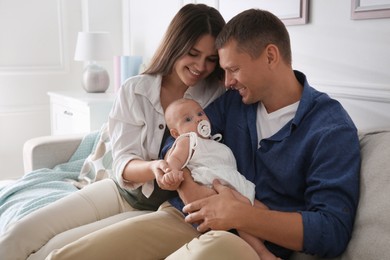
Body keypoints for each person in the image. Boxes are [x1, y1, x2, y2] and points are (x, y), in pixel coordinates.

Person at [47, 8, 360, 260]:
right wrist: (191, 188)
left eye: (233, 69)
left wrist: (240, 215)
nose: (226, 82)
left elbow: (331, 230)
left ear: (270, 56)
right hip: (186, 217)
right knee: (66, 255)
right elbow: (178, 143)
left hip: (246, 245)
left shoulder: (329, 128)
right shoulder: (235, 105)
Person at [0, 4, 226, 260]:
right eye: (193, 53)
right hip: (119, 192)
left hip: (157, 210)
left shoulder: (217, 98)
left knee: (52, 252)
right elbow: (123, 161)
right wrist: (154, 168)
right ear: (176, 45)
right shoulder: (135, 90)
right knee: (19, 234)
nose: (200, 66)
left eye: (210, 59)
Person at [163, 97, 279, 260]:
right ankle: (262, 253)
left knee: (263, 213)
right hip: (213, 186)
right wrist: (173, 171)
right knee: (242, 214)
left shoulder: (214, 141)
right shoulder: (188, 140)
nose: (198, 119)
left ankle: (249, 247)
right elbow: (175, 159)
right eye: (188, 119)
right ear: (176, 133)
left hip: (234, 185)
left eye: (200, 113)